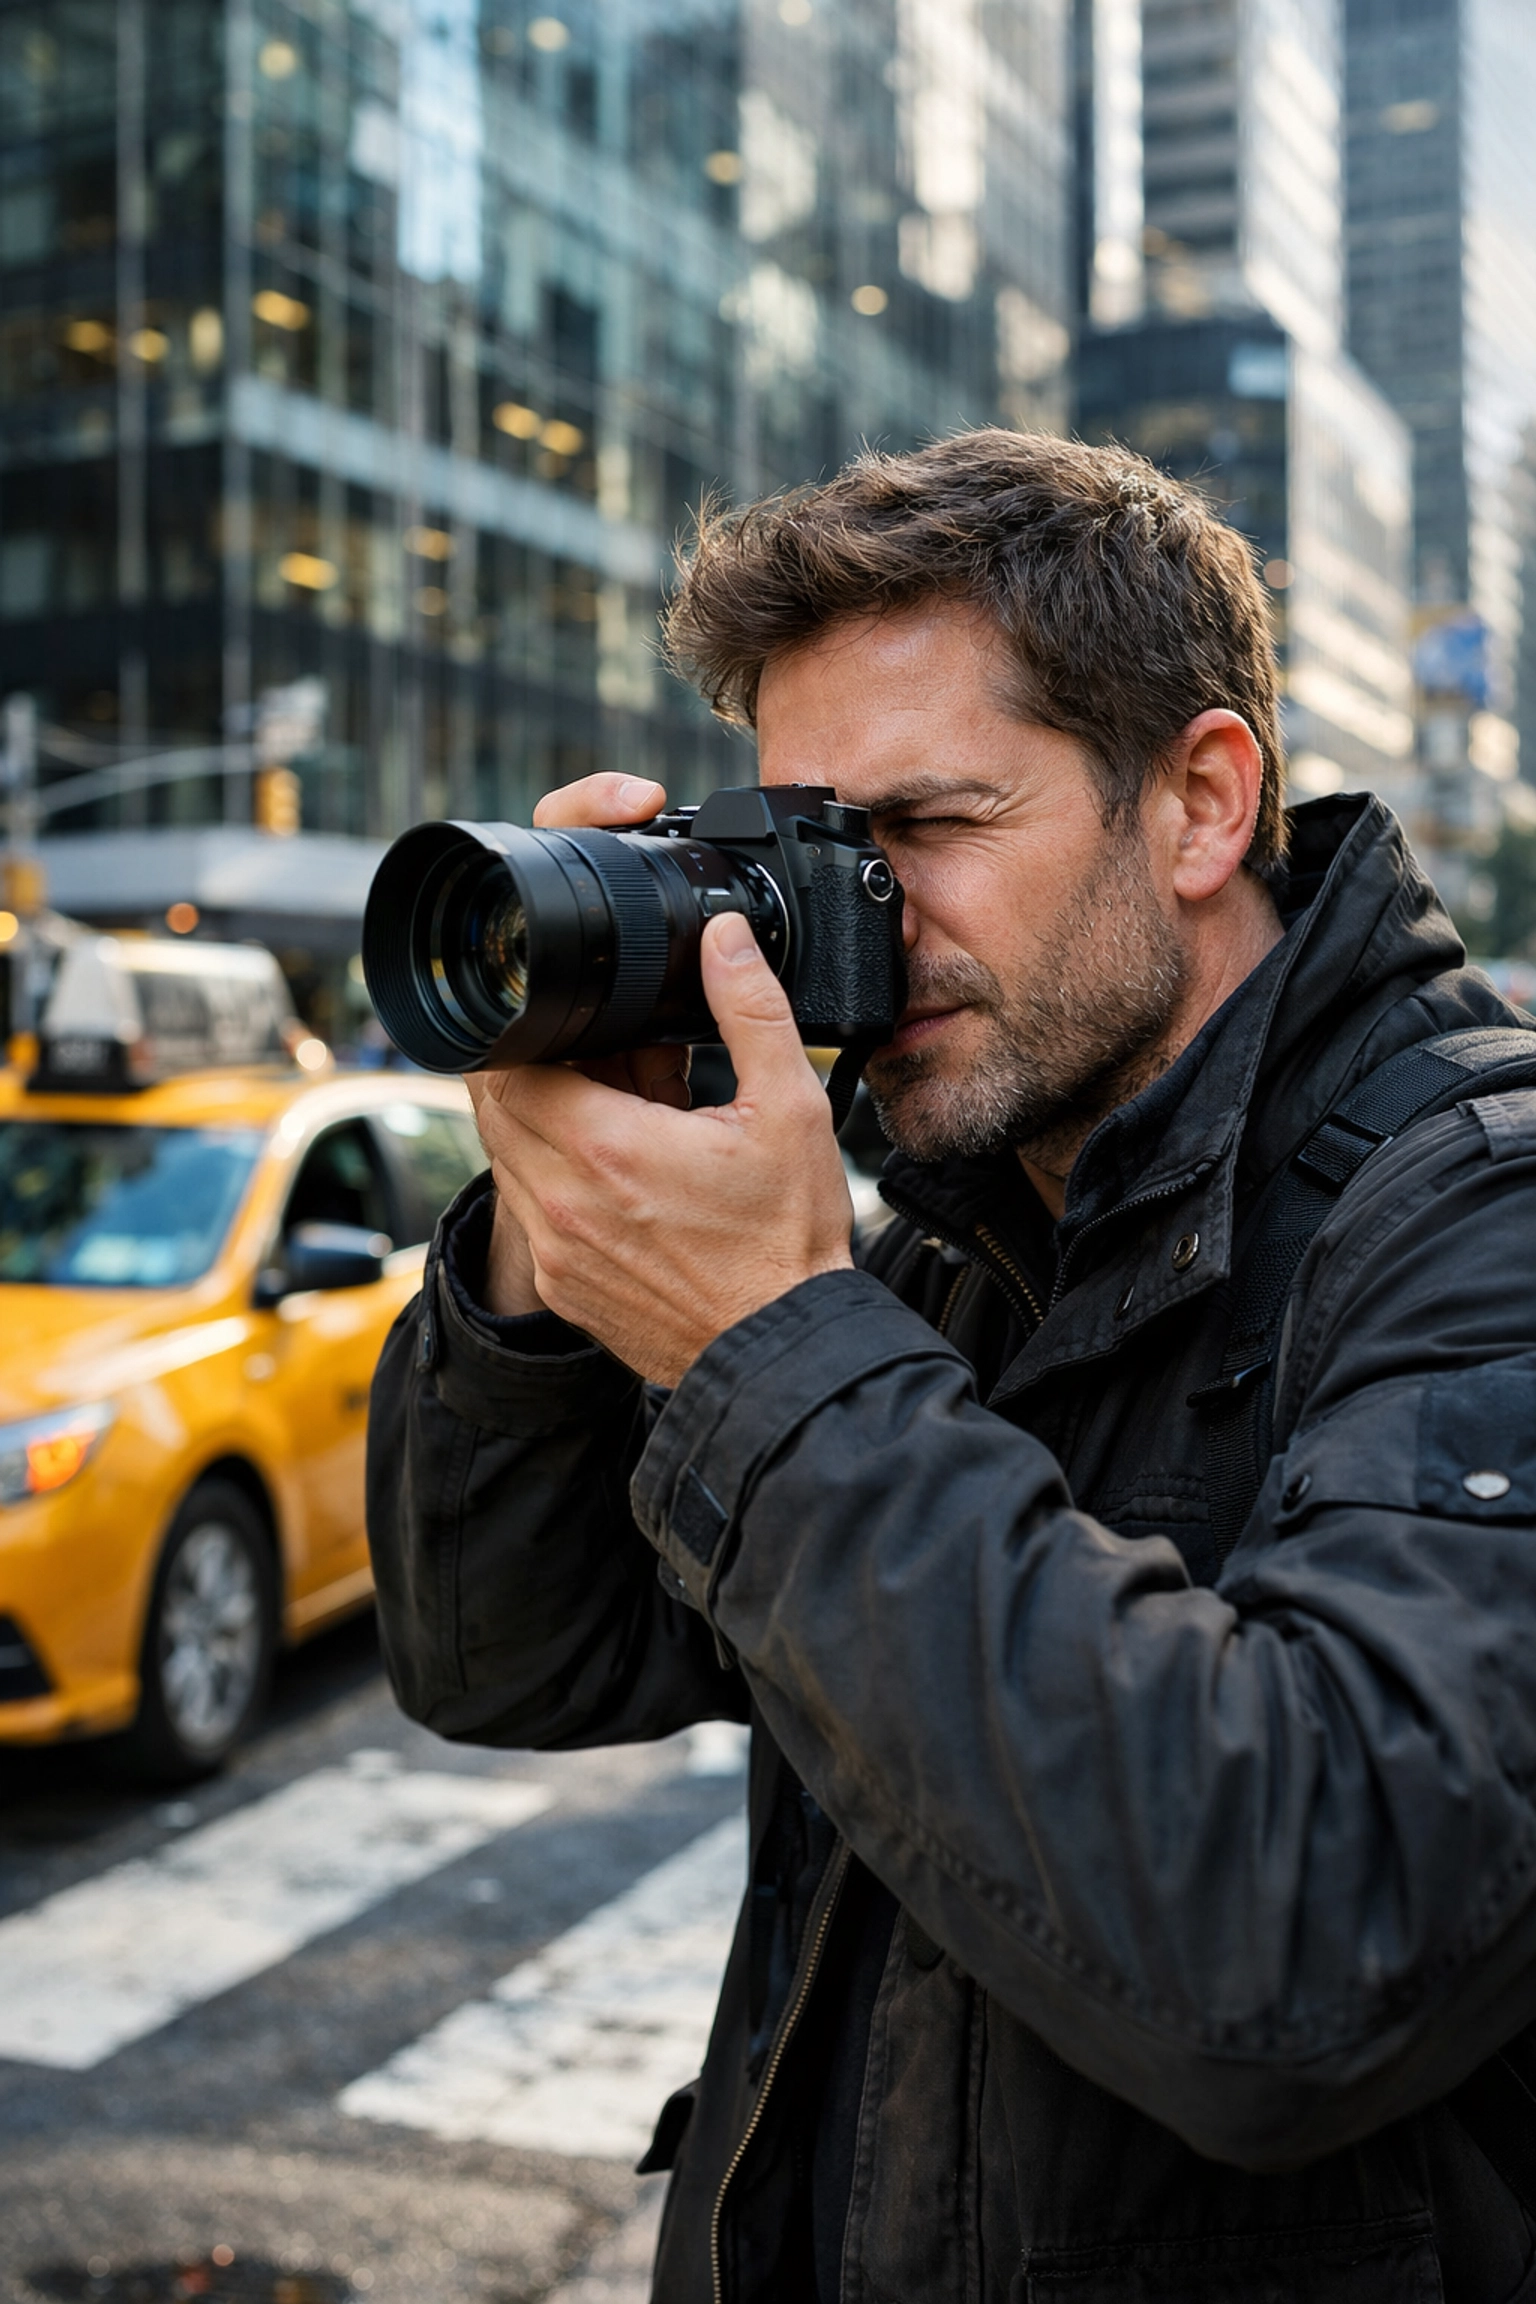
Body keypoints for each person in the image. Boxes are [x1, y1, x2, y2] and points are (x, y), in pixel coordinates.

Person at [367, 432, 1536, 2303]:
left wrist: (770, 1343)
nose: (862, 922)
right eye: (807, 853)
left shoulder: (1481, 1219)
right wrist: (543, 1257)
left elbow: (1317, 1943)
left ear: (1199, 804)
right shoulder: (952, 1253)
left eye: (923, 830)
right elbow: (507, 1655)